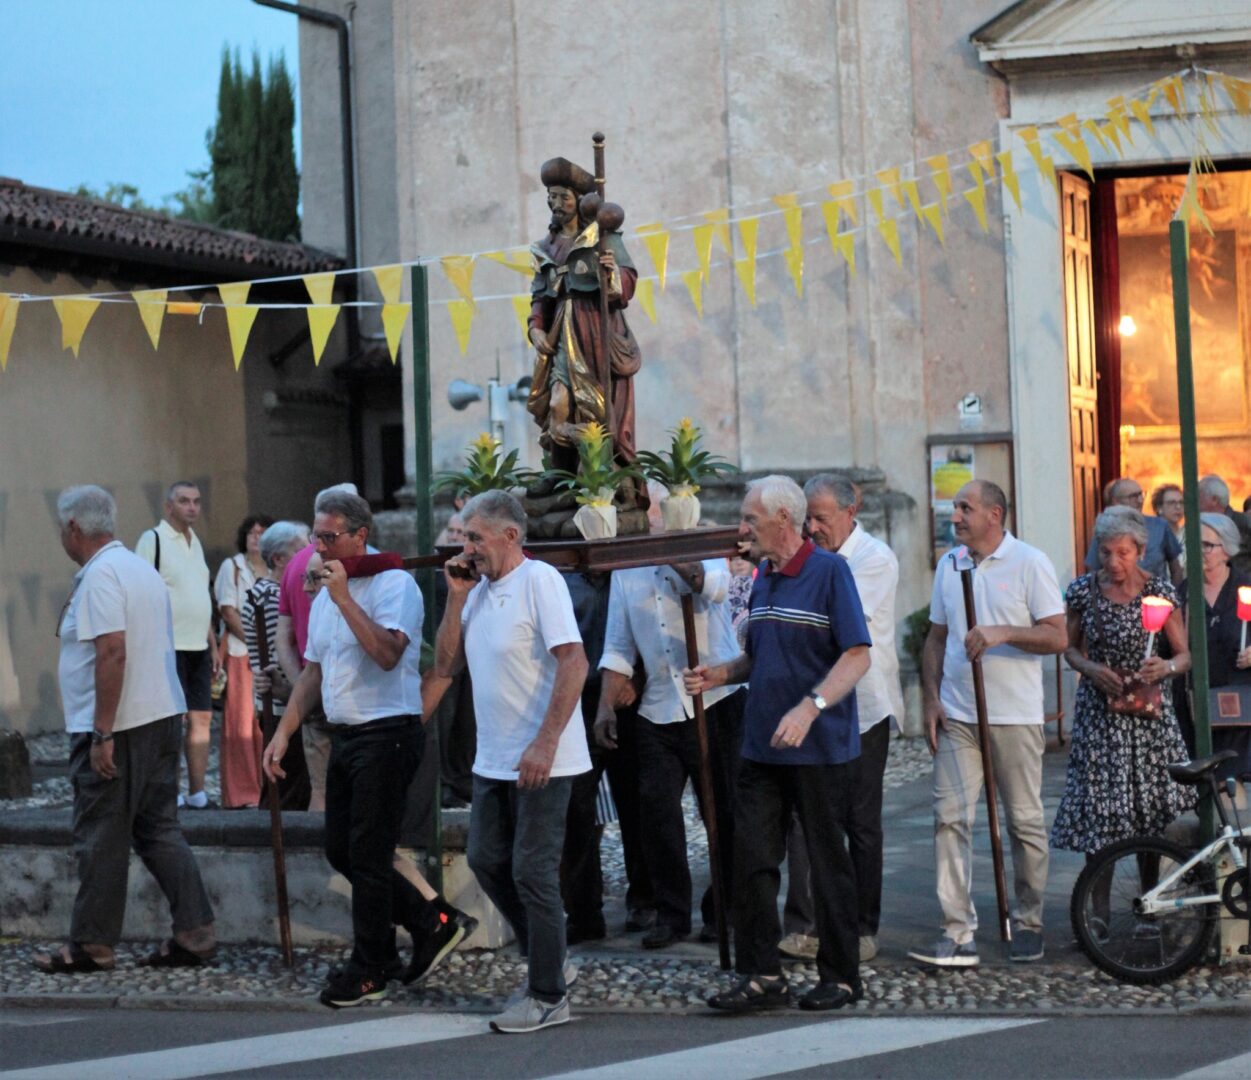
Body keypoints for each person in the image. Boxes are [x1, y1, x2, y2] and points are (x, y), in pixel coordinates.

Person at [262, 490, 468, 1008]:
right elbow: (313, 670)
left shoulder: (393, 585)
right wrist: (284, 732)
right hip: (346, 733)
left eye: (329, 537)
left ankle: (371, 964)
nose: (320, 547)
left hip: (388, 732)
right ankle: (430, 919)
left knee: (371, 856)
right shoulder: (330, 591)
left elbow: (387, 654)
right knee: (341, 849)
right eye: (316, 536)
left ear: (359, 535)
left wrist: (344, 600)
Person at [684, 475, 871, 1013]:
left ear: (783, 521)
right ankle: (761, 974)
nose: (742, 529)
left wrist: (810, 707)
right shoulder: (763, 577)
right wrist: (721, 674)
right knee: (753, 861)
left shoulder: (830, 572)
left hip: (818, 749)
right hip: (760, 746)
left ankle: (840, 976)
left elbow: (857, 655)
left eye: (750, 519)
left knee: (824, 862)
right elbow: (759, 659)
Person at [35, 486, 215, 974]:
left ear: (73, 527)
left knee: (100, 835)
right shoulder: (139, 568)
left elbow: (112, 651)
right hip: (160, 716)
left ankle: (92, 944)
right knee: (158, 829)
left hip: (123, 724)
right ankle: (195, 930)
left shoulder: (101, 576)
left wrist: (102, 732)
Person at [435, 490, 590, 1034]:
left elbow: (574, 661)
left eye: (475, 537)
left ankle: (548, 993)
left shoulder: (539, 581)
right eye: (464, 537)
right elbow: (446, 664)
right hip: (493, 757)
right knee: (485, 859)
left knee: (532, 871)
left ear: (510, 537)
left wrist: (545, 743)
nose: (467, 547)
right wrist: (455, 598)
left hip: (543, 758)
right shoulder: (475, 591)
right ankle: (552, 957)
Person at [912, 480, 1067, 968]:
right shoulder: (950, 563)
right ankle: (957, 930)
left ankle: (1028, 921)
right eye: (955, 507)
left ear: (995, 514)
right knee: (950, 817)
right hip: (960, 713)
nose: (955, 516)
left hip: (1014, 715)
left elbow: (1057, 636)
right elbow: (936, 638)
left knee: (1023, 822)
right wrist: (932, 698)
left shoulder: (1030, 562)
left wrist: (1004, 633)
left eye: (965, 508)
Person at [777, 474, 904, 965]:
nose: (812, 527)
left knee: (860, 820)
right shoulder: (805, 559)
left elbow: (834, 622)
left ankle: (861, 927)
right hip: (811, 705)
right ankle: (805, 924)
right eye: (807, 518)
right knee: (806, 818)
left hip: (863, 707)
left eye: (821, 518)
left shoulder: (875, 559)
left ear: (853, 511)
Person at [596, 556, 744, 949]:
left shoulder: (702, 551)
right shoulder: (624, 568)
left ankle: (725, 909)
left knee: (723, 812)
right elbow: (618, 644)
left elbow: (715, 588)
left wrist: (676, 556)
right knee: (656, 810)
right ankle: (671, 913)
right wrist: (605, 706)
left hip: (714, 698)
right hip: (658, 704)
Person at [1051, 507, 1194, 875]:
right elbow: (1068, 647)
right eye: (1105, 552)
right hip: (1099, 718)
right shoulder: (1084, 591)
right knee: (1101, 817)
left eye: (1123, 552)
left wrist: (1166, 667)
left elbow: (1185, 655)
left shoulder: (1159, 593)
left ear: (1141, 551)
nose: (1113, 561)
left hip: (1148, 722)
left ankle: (1148, 904)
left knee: (1149, 815)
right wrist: (1091, 668)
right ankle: (1096, 914)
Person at [526, 156, 642, 473]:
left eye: (563, 196)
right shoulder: (545, 247)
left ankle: (598, 471)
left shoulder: (603, 238)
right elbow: (540, 295)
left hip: (595, 332)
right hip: (561, 332)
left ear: (578, 201)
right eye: (551, 197)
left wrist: (611, 274)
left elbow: (628, 281)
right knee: (555, 405)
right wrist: (536, 328)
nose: (556, 203)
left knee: (597, 408)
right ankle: (561, 470)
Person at [560, 570, 653, 944]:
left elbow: (652, 631)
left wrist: (639, 679)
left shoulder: (632, 575)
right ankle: (583, 911)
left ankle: (646, 899)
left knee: (638, 803)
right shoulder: (561, 579)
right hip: (577, 698)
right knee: (576, 808)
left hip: (627, 696)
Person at [276, 483, 364, 811]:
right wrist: (304, 685)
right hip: (344, 693)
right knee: (341, 794)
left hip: (322, 693)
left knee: (323, 791)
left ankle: (326, 859)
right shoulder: (360, 565)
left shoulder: (298, 564)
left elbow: (283, 639)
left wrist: (299, 683)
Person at [135, 481, 218, 809]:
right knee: (170, 722)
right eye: (184, 501)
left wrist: (212, 639)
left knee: (202, 718)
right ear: (168, 506)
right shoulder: (152, 540)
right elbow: (140, 591)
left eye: (197, 501)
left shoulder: (194, 541)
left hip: (198, 644)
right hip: (167, 646)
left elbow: (199, 595)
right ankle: (168, 791)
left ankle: (197, 792)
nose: (192, 507)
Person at [241, 521, 311, 810]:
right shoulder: (270, 596)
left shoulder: (266, 592)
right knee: (287, 792)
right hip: (284, 706)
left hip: (284, 702)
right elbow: (278, 655)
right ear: (280, 559)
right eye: (301, 548)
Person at [1175, 513, 1251, 776]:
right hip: (1194, 701)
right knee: (1202, 775)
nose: (1199, 552)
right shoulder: (1181, 593)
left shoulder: (1246, 588)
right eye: (1192, 544)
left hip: (1240, 700)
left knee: (1232, 776)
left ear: (1226, 550)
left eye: (1207, 545)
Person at [213, 513, 273, 808]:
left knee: (265, 723)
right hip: (241, 653)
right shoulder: (232, 567)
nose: (256, 537)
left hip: (270, 656)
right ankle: (241, 793)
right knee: (240, 724)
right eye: (251, 532)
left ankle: (266, 787)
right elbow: (227, 609)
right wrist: (255, 641)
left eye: (262, 533)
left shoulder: (275, 568)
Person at [1083, 477, 1181, 584]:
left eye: (1141, 495)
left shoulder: (1160, 526)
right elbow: (1093, 570)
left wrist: (1173, 595)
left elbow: (1176, 569)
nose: (1140, 501)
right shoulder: (1105, 530)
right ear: (1116, 501)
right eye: (1133, 496)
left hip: (1154, 596)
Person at [1198, 474, 1251, 574]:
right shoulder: (1200, 527)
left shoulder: (1245, 524)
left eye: (1199, 497)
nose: (1195, 502)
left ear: (1214, 500)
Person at [1151, 483, 1185, 567]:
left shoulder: (1188, 535)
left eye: (1181, 502)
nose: (1178, 506)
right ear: (1159, 508)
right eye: (1171, 503)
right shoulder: (1152, 536)